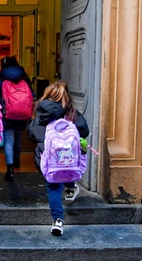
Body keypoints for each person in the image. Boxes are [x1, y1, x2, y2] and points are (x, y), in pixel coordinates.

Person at [28, 80, 89, 236]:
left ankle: (58, 220)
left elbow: (32, 134)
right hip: (68, 156)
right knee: (67, 168)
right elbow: (85, 130)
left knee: (53, 186)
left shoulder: (40, 113)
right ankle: (70, 186)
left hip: (46, 158)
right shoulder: (71, 112)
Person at [0, 56, 34, 181]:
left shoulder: (1, 79)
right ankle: (17, 160)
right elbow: (32, 95)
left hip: (7, 113)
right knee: (18, 138)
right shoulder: (24, 78)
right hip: (22, 113)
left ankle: (10, 169)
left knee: (9, 140)